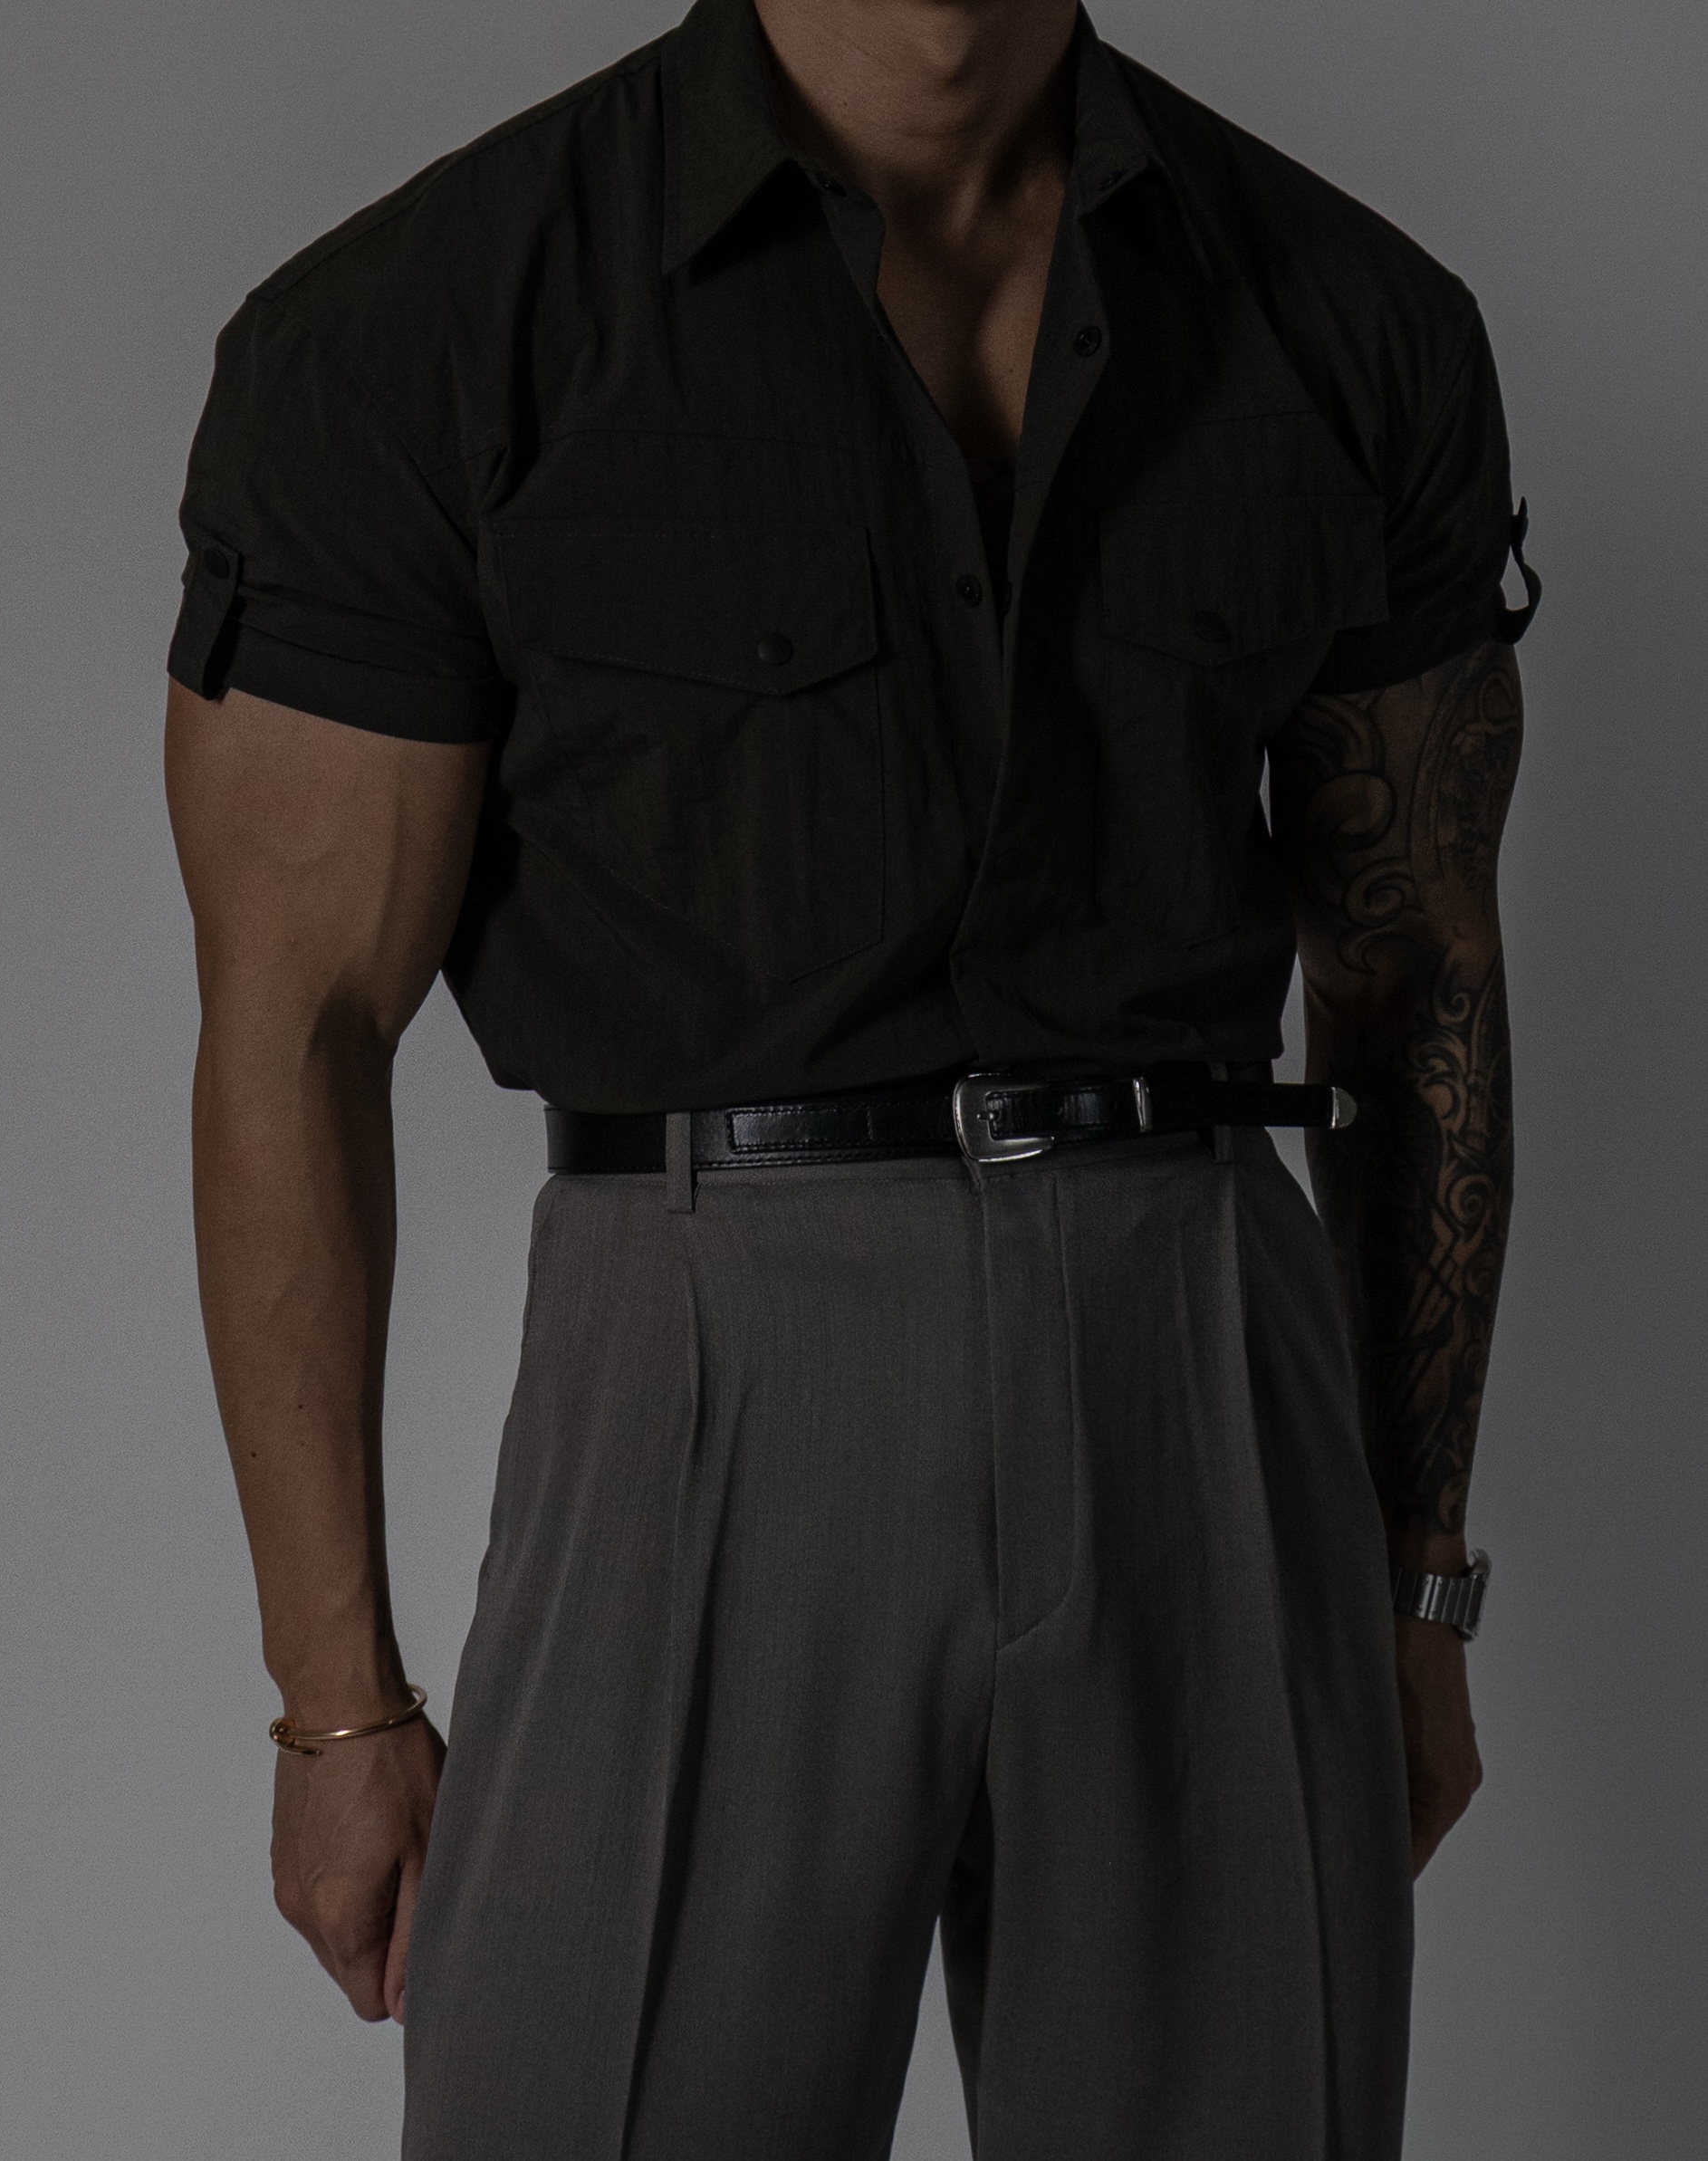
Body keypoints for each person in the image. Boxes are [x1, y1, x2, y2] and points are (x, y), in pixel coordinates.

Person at [164, 0, 1538, 2153]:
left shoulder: (1344, 314)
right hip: (700, 1370)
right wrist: (335, 1701)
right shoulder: (423, 325)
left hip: (1199, 1352)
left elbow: (1421, 965)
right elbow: (296, 1023)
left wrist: (1417, 1577)